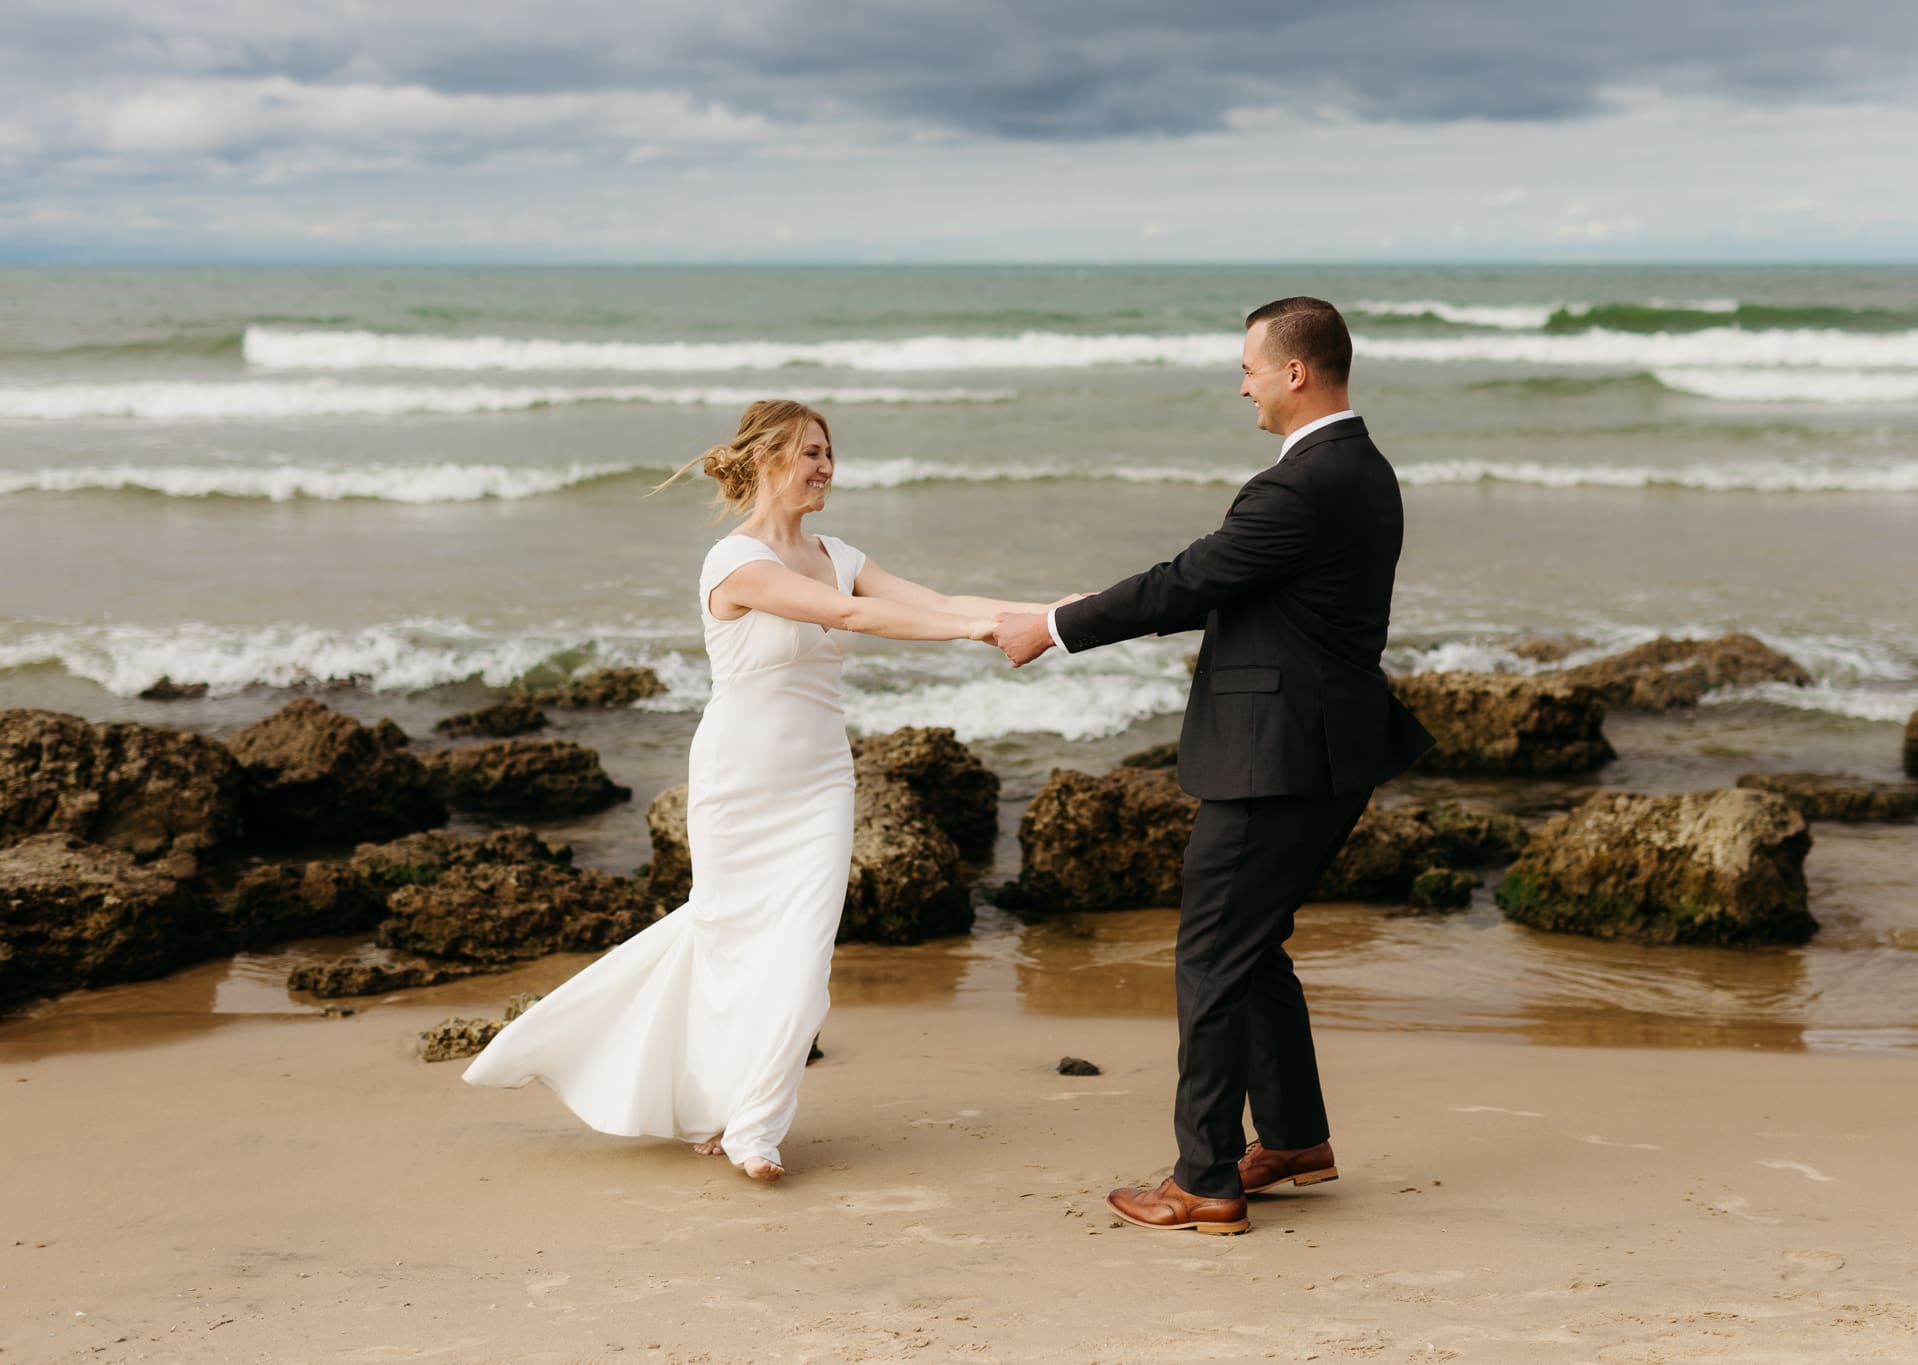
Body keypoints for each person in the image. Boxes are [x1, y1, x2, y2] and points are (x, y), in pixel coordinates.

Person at [465, 399, 1050, 1183]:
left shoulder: (839, 550)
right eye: (810, 452)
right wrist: (978, 632)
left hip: (819, 783)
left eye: (830, 453)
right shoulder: (731, 562)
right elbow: (851, 615)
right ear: (768, 458)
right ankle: (636, 1066)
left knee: (803, 963)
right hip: (738, 783)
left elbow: (934, 601)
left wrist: (1048, 613)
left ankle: (755, 1128)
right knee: (729, 945)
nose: (826, 467)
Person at [993, 297, 1434, 1234]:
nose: (1241, 386)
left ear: (1296, 373)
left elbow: (1194, 576)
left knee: (1211, 955)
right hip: (1329, 750)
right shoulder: (1367, 471)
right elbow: (1229, 582)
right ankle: (1294, 1137)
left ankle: (1205, 1178)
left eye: (1249, 368)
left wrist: (1058, 626)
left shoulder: (1299, 485)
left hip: (1275, 760)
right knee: (1252, 943)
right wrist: (1096, 603)